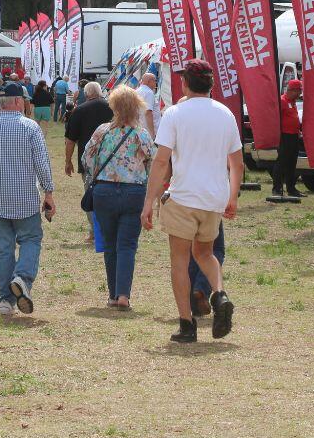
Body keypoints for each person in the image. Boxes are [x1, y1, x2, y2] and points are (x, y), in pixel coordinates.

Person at [142, 58, 240, 343]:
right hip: (213, 198)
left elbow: (161, 162)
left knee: (180, 261)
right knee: (205, 254)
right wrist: (232, 197)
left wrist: (149, 202)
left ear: (185, 83)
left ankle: (187, 325)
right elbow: (236, 163)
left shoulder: (174, 114)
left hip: (183, 195)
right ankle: (219, 294)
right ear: (211, 84)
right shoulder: (226, 115)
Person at [0, 82, 56, 316]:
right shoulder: (31, 128)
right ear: (18, 102)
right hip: (24, 198)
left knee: (2, 250)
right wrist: (49, 192)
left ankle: (6, 301)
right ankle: (22, 279)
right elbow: (42, 163)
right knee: (31, 239)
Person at [82, 85, 155, 311]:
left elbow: (87, 158)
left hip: (104, 191)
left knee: (110, 245)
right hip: (133, 192)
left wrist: (100, 173)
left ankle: (113, 294)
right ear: (136, 108)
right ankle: (124, 294)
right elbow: (152, 163)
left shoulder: (102, 131)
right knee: (127, 245)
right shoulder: (142, 134)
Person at [65, 82, 113, 243]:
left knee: (91, 195)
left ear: (86, 94)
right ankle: (108, 231)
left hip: (88, 160)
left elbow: (70, 139)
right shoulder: (112, 107)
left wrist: (68, 161)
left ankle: (95, 232)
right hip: (112, 159)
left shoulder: (79, 110)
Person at [269, 79, 304, 200]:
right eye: (299, 90)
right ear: (292, 90)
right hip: (284, 136)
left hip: (294, 136)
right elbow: (275, 118)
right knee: (282, 162)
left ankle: (291, 188)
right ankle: (277, 188)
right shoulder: (282, 101)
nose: (300, 94)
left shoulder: (293, 102)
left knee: (292, 163)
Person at [135, 72, 159, 137]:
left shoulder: (136, 91)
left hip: (140, 129)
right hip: (149, 131)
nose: (156, 83)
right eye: (155, 80)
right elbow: (148, 113)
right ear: (149, 81)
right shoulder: (148, 93)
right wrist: (152, 134)